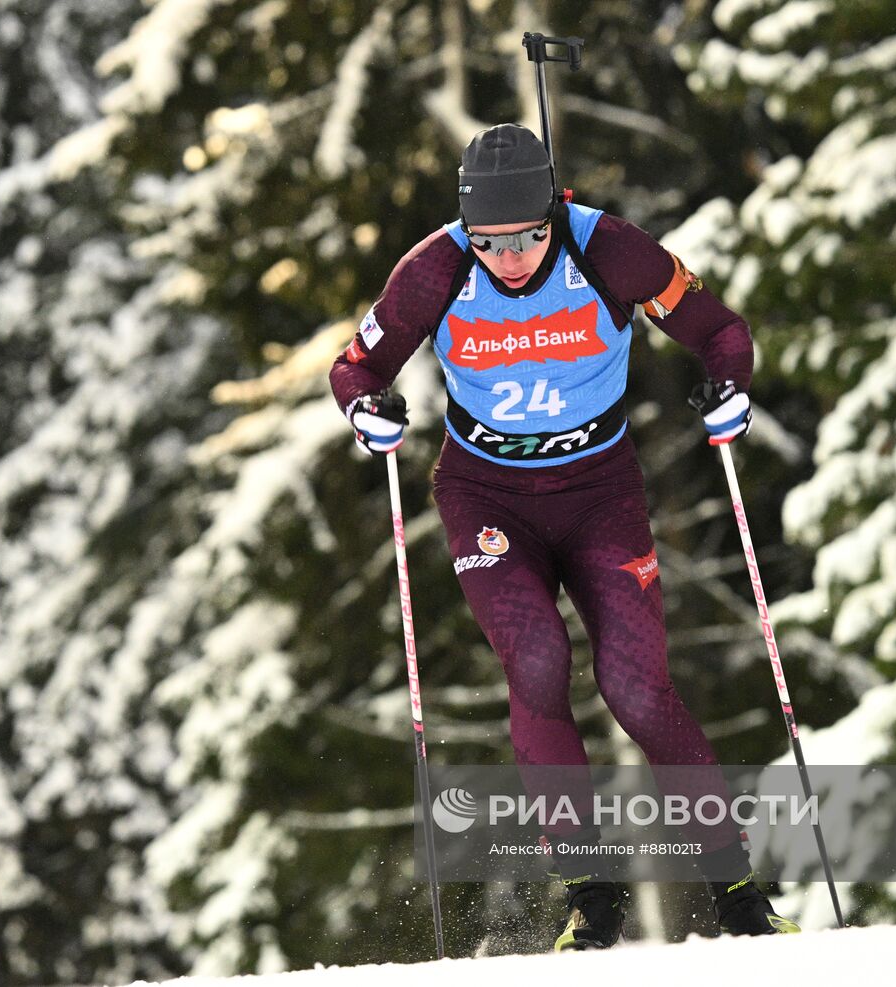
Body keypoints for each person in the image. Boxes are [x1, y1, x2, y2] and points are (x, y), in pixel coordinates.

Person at [329, 123, 799, 949]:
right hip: (485, 494)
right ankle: (592, 893)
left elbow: (718, 329)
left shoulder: (609, 250)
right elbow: (355, 366)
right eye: (491, 243)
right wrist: (366, 409)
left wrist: (728, 387)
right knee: (537, 659)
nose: (510, 259)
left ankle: (736, 892)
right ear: (467, 231)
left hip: (599, 491)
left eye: (529, 237)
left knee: (637, 688)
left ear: (557, 210)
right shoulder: (434, 268)